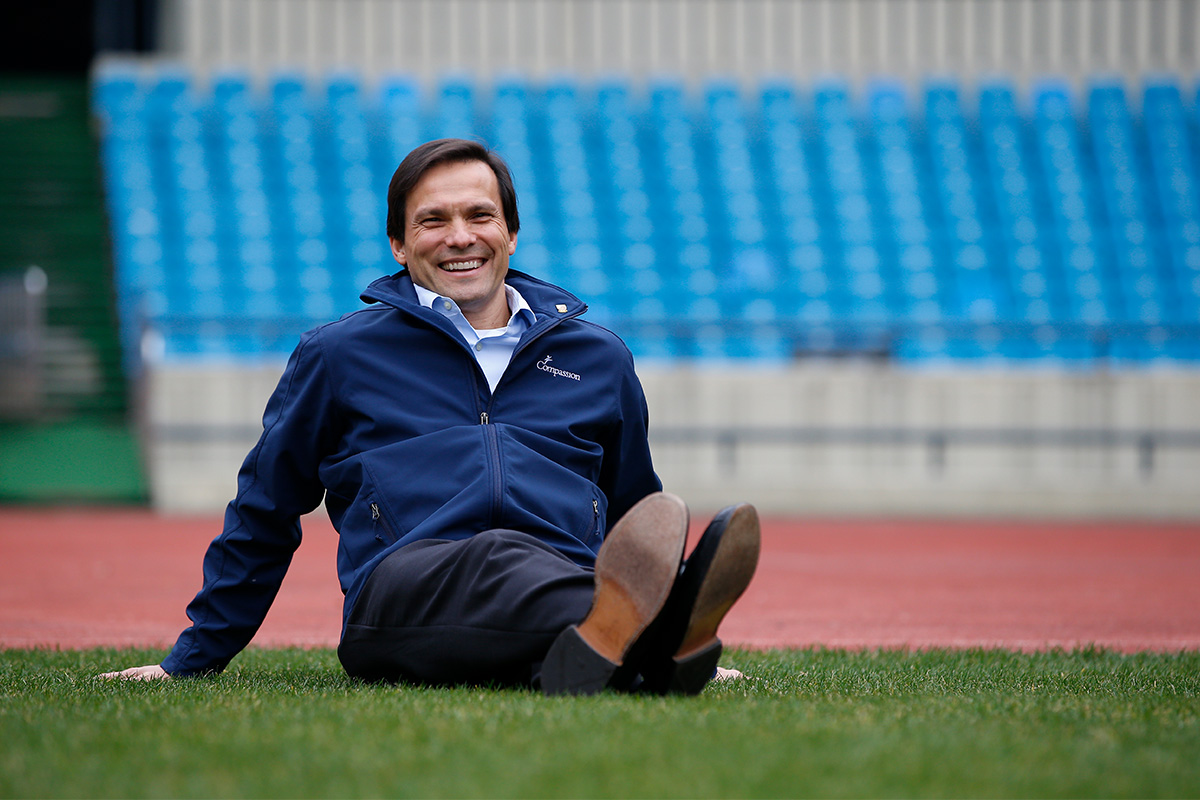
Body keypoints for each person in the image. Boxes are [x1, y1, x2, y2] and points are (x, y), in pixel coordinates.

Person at [101, 138, 760, 695]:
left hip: (556, 579)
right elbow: (265, 509)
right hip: (401, 598)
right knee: (498, 554)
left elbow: (636, 517)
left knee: (544, 581)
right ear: (398, 242)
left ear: (511, 231)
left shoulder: (600, 358)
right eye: (433, 220)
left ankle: (611, 648)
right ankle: (655, 639)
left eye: (480, 215)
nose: (460, 237)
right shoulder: (338, 355)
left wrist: (646, 578)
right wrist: (191, 660)